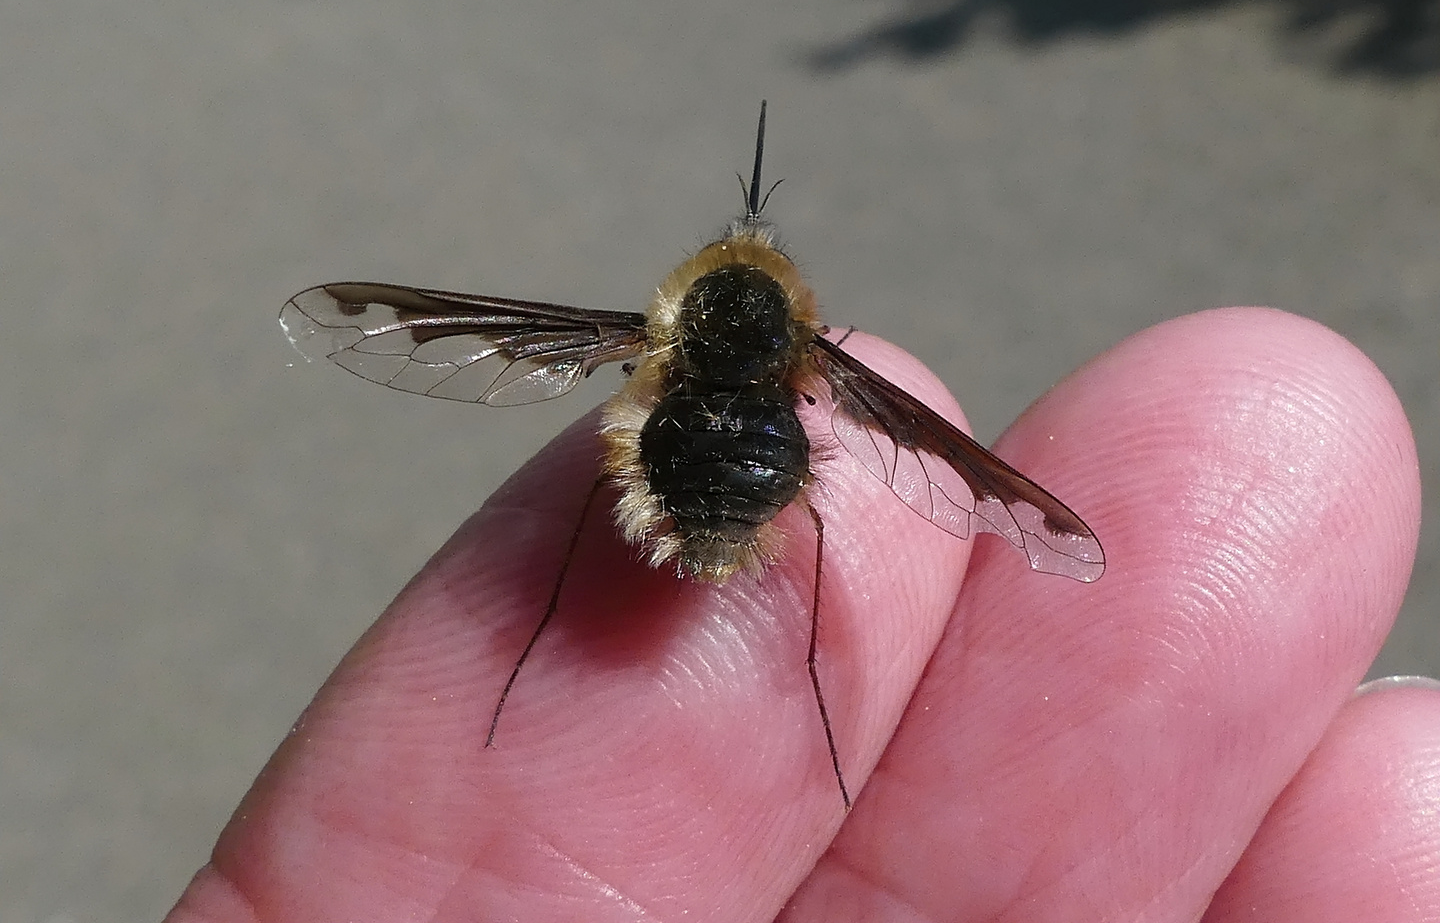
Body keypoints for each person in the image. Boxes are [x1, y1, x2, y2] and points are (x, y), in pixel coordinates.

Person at [166, 309, 1437, 922]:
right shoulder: (812, 363)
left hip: (672, 483)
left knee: (611, 499)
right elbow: (899, 453)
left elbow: (507, 355)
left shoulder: (645, 339)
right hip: (752, 486)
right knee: (829, 517)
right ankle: (806, 676)